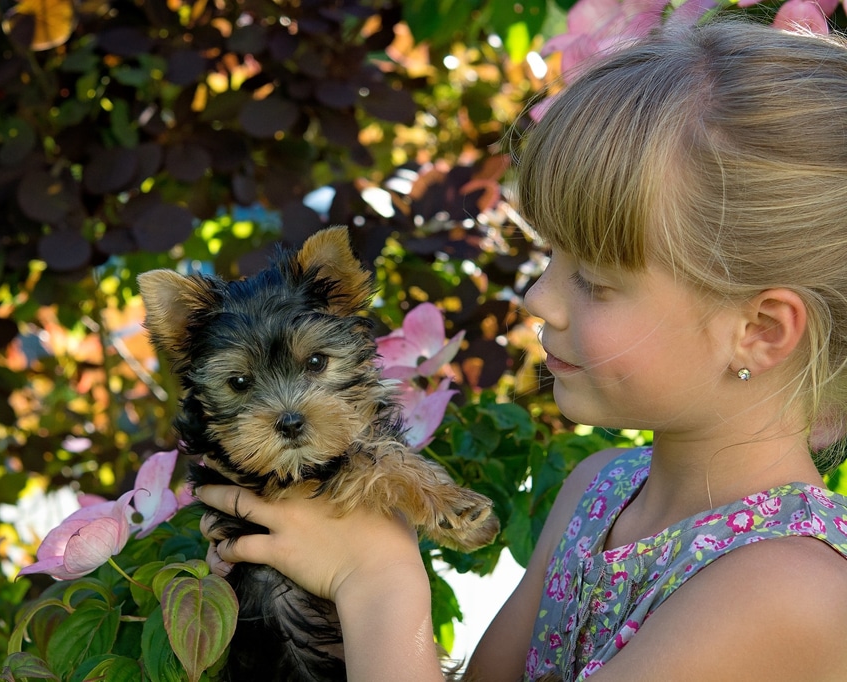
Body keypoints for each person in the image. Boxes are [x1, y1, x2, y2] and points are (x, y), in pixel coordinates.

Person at [195, 19, 847, 681]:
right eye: (549, 258)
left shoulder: (787, 591)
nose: (539, 298)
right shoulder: (603, 490)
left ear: (760, 332)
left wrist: (377, 579)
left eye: (594, 281)